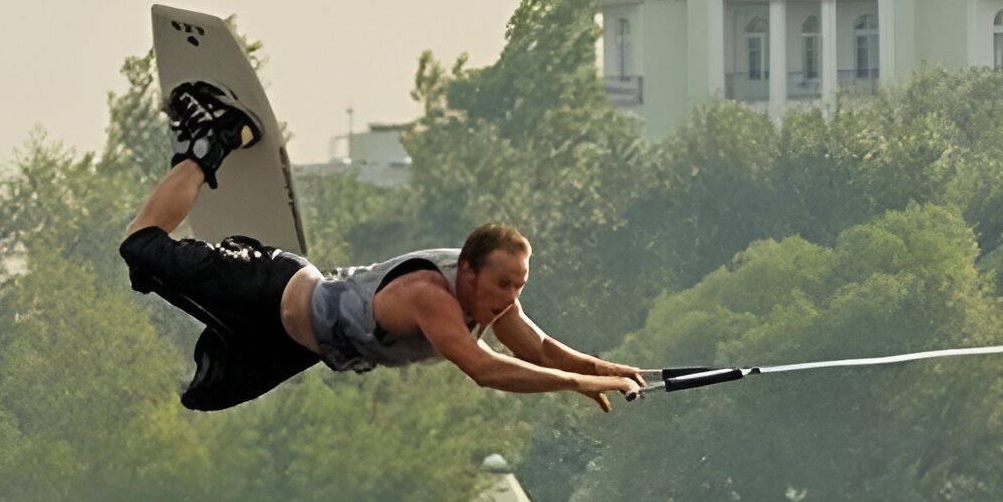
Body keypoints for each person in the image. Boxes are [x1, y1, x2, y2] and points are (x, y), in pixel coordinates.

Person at [120, 81, 648, 412]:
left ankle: (211, 329)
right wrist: (577, 384)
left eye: (519, 285)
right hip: (274, 290)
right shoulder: (428, 294)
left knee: (202, 398)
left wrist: (610, 371)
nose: (511, 298)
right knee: (140, 250)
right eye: (503, 283)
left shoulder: (491, 299)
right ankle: (210, 139)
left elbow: (539, 350)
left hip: (292, 348)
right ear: (467, 270)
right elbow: (485, 369)